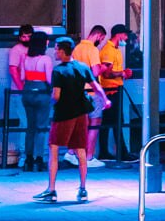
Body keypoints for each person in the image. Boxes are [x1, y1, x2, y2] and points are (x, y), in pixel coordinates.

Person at [37, 37, 95, 203]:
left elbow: (56, 95)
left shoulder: (58, 71)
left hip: (63, 114)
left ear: (62, 51)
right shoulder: (82, 67)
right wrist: (104, 99)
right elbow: (95, 85)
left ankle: (51, 190)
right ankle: (83, 188)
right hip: (81, 114)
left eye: (56, 49)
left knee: (53, 149)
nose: (54, 52)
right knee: (81, 150)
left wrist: (51, 101)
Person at [71, 26, 108, 168]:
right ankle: (89, 156)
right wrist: (104, 68)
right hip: (92, 92)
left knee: (81, 125)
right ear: (98, 35)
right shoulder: (93, 50)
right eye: (102, 38)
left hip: (78, 91)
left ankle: (77, 155)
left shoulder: (77, 48)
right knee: (94, 124)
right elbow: (96, 70)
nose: (101, 41)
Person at [98, 24, 134, 162]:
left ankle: (105, 152)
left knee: (108, 122)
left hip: (113, 89)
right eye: (125, 35)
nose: (126, 38)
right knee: (116, 121)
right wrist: (123, 73)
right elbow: (106, 73)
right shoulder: (108, 51)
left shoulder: (115, 50)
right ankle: (122, 153)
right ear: (119, 34)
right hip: (110, 91)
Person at [19, 31, 55, 171]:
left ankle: (28, 158)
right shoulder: (46, 59)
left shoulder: (25, 58)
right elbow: (49, 79)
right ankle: (39, 158)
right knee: (41, 127)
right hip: (42, 93)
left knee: (30, 127)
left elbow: (22, 77)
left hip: (27, 92)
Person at [5, 23, 33, 166]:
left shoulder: (34, 51)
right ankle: (24, 155)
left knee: (32, 124)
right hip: (20, 91)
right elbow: (13, 70)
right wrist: (22, 89)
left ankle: (31, 154)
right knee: (25, 123)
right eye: (24, 36)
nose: (26, 39)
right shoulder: (16, 50)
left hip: (31, 90)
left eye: (29, 36)